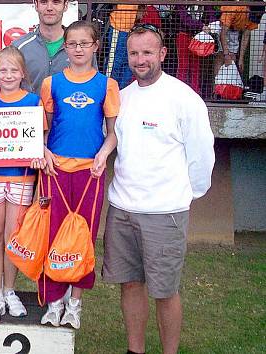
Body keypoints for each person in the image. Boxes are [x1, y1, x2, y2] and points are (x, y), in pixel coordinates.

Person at [102, 24, 215, 354]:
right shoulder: (122, 98)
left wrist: (184, 195)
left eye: (147, 52)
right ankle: (134, 350)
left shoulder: (183, 99)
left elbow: (201, 154)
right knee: (130, 283)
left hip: (165, 213)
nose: (140, 60)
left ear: (162, 54)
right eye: (134, 53)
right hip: (122, 209)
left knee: (165, 290)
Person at [34, 20, 119, 329]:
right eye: (73, 43)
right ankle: (54, 301)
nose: (79, 49)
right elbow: (45, 128)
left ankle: (75, 303)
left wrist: (103, 154)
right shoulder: (51, 83)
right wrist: (43, 151)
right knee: (53, 233)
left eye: (85, 43)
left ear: (95, 46)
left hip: (90, 172)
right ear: (65, 47)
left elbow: (113, 133)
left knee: (83, 237)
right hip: (55, 170)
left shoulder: (106, 85)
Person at [0, 46, 44, 323]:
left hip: (21, 177)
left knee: (12, 237)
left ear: (23, 73)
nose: (7, 75)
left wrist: (39, 155)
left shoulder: (33, 102)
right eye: (2, 70)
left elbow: (40, 140)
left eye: (13, 70)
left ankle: (9, 290)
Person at [12, 0, 70, 94]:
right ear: (36, 5)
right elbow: (4, 87)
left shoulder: (79, 48)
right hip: (30, 108)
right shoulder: (18, 47)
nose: (49, 8)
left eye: (56, 2)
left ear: (66, 5)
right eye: (43, 2)